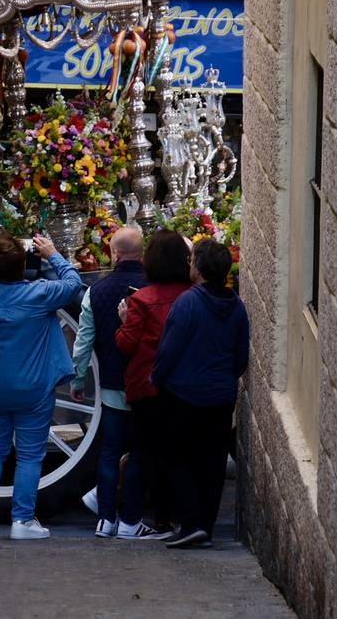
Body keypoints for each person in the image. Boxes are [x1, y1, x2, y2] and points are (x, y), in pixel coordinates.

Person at [0, 234, 82, 540]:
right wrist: (52, 253)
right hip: (32, 386)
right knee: (30, 456)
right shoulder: (40, 293)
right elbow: (73, 283)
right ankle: (22, 520)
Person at [152, 238, 249, 549]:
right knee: (212, 460)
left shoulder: (188, 302)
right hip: (221, 395)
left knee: (173, 455)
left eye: (192, 260)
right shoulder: (236, 306)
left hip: (184, 392)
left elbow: (170, 348)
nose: (188, 264)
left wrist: (158, 377)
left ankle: (191, 522)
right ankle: (204, 525)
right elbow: (240, 357)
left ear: (199, 268)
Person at [69, 227, 162, 540]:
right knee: (139, 452)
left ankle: (106, 519)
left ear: (114, 254)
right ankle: (130, 520)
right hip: (147, 386)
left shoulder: (96, 291)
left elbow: (84, 341)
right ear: (142, 253)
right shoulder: (154, 289)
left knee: (109, 452)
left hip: (111, 384)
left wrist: (79, 378)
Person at [114, 228, 194, 539]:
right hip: (180, 386)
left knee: (144, 452)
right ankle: (170, 517)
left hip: (144, 386)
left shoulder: (142, 299)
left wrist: (123, 323)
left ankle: (131, 518)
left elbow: (126, 344)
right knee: (175, 453)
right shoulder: (191, 296)